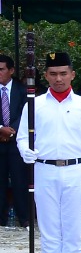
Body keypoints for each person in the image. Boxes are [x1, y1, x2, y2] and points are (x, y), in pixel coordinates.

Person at [17, 52, 81, 253]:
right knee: (49, 225)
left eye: (63, 73)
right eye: (53, 74)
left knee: (73, 226)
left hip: (76, 169)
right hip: (44, 169)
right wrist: (25, 150)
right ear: (45, 76)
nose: (58, 78)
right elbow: (23, 136)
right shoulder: (34, 104)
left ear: (73, 75)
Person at [0, 54, 33, 228]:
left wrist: (10, 131)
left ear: (11, 71)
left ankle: (24, 218)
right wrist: (0, 129)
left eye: (1, 69)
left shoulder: (22, 90)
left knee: (20, 180)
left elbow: (25, 113)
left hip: (17, 142)